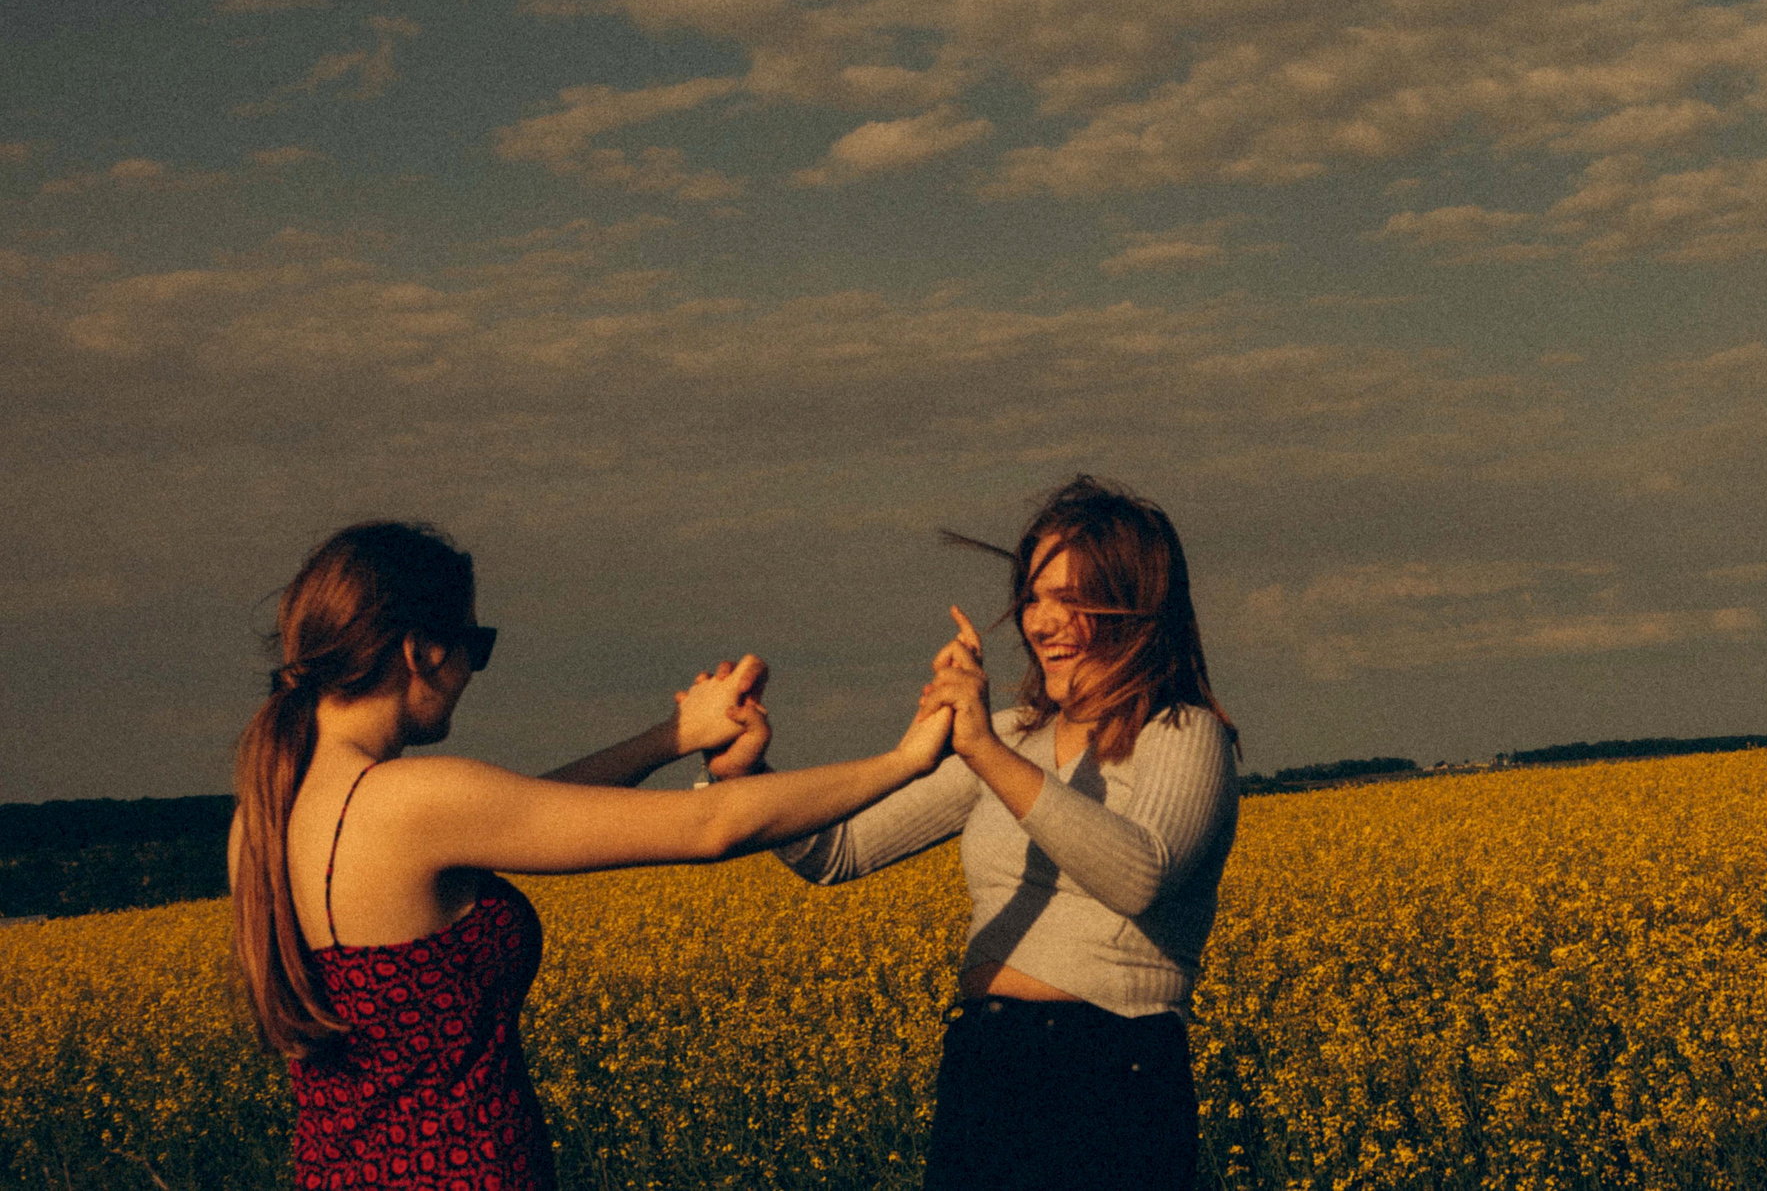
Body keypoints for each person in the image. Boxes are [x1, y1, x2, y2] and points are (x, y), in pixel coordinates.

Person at [228, 520, 954, 1191]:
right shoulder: (413, 799)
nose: (473, 673)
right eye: (473, 646)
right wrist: (905, 761)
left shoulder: (262, 818)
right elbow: (711, 825)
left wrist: (673, 736)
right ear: (421, 650)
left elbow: (525, 813)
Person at [729, 476, 1241, 1191]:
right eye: (1034, 597)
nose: (1042, 621)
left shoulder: (1185, 735)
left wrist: (985, 753)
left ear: (1135, 605)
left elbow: (1138, 875)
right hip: (985, 1059)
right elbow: (836, 852)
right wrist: (748, 771)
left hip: (1112, 1070)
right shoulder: (1008, 740)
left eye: (1072, 599)